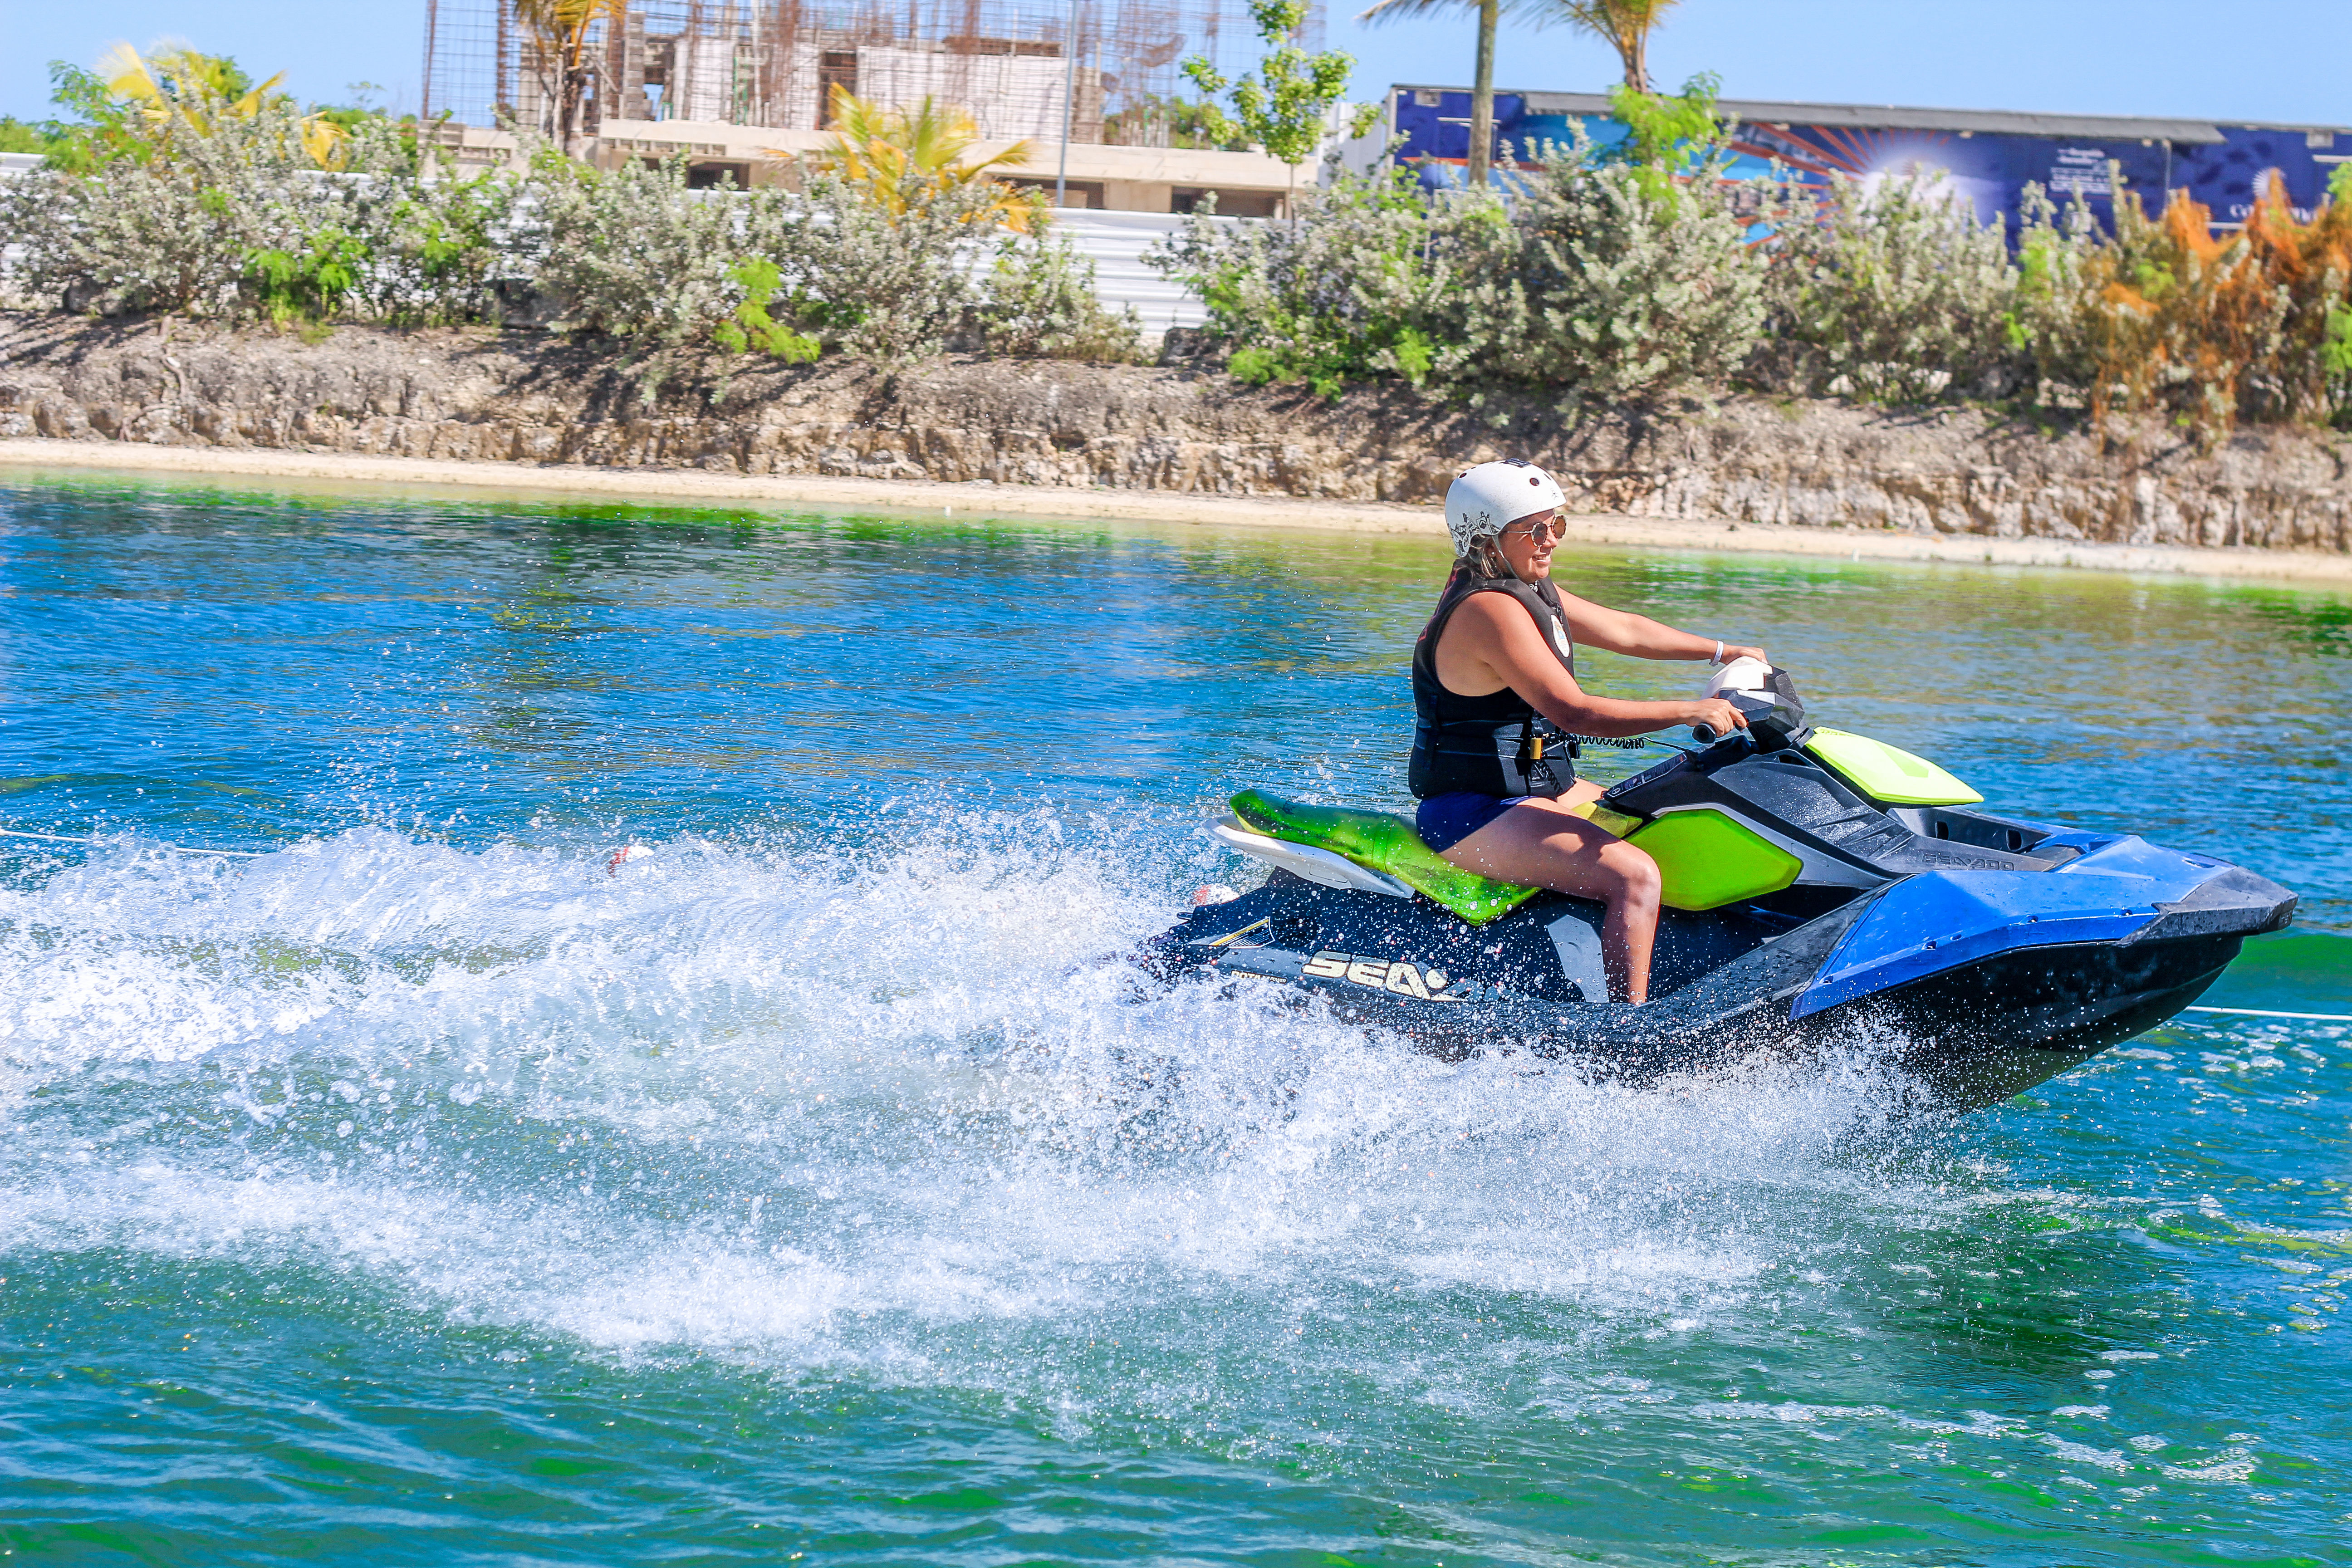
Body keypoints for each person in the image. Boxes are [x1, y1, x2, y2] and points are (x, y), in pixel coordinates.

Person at [1411, 460, 1766, 1004]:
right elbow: (1574, 713)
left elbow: (1624, 629)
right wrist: (1687, 710)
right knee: (1636, 877)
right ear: (1486, 537)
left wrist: (1725, 651)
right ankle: (1628, 1029)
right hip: (1472, 809)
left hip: (1533, 788)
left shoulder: (1528, 588)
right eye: (1535, 530)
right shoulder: (1488, 610)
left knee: (1663, 819)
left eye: (1557, 526)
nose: (1550, 540)